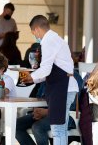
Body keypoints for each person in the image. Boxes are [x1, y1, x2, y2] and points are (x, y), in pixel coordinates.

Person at [22, 15, 79, 145]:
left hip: (62, 88)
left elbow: (46, 69)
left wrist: (30, 77)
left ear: (36, 29)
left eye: (33, 33)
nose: (36, 36)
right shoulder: (55, 39)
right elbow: (49, 70)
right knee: (60, 129)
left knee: (58, 129)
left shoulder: (49, 41)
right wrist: (32, 80)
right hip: (64, 87)